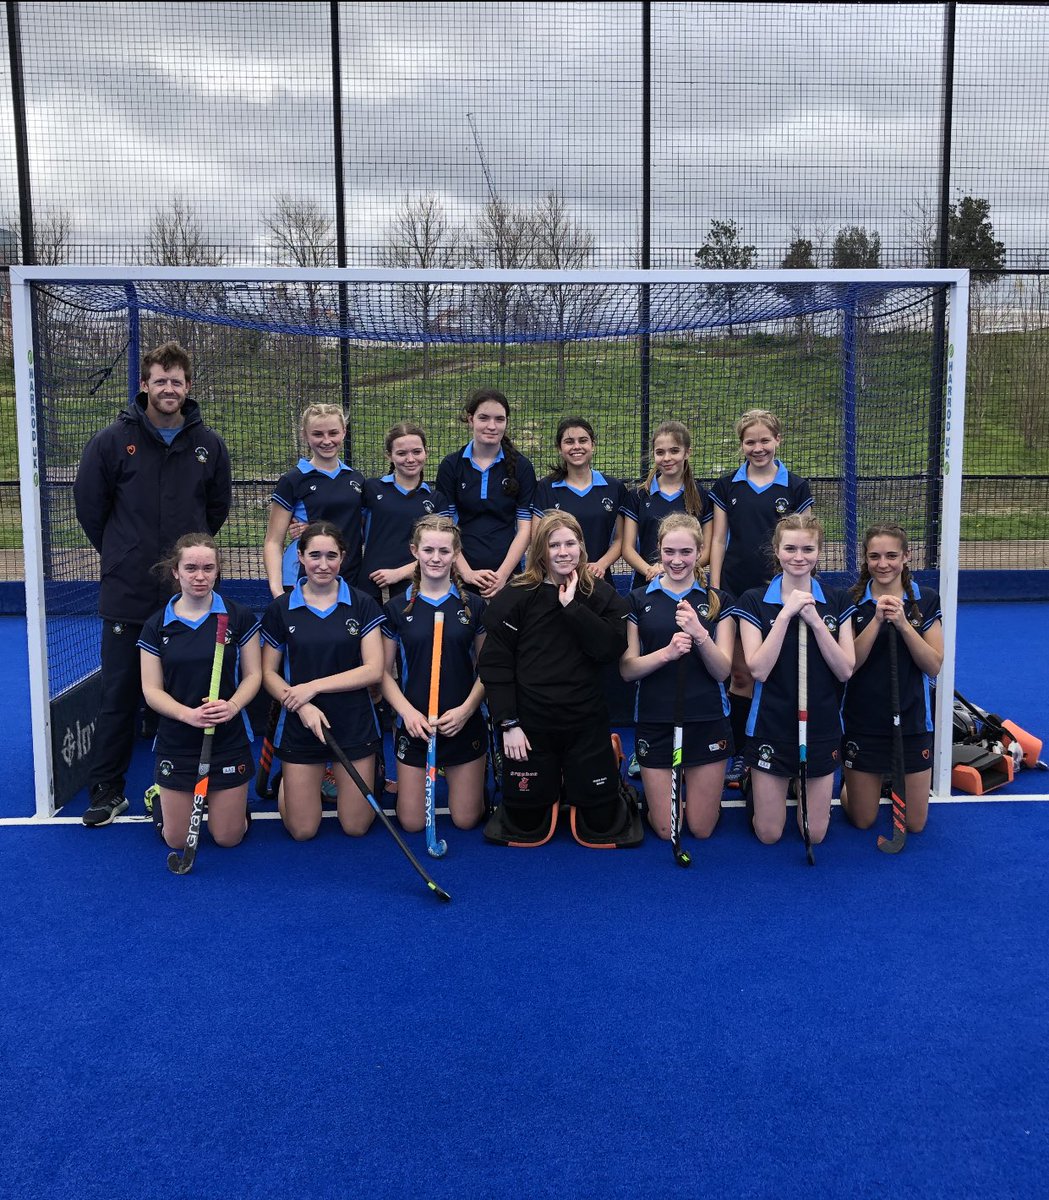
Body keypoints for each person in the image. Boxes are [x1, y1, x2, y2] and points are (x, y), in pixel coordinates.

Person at [73, 340, 232, 827]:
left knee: (189, 691)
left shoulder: (209, 445)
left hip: (188, 596)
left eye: (176, 382)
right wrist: (123, 552)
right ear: (144, 385)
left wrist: (186, 564)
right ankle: (107, 789)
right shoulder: (110, 441)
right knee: (119, 694)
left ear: (188, 387)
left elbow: (216, 510)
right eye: (160, 381)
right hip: (128, 590)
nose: (168, 389)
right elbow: (90, 508)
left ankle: (182, 782)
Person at [478, 510, 640, 848]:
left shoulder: (601, 594)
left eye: (570, 543)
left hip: (584, 721)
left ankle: (604, 757)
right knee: (525, 823)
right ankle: (551, 780)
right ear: (541, 550)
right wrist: (508, 723)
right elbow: (495, 664)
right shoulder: (517, 595)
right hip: (531, 723)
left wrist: (572, 608)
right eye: (554, 545)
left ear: (581, 546)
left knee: (602, 823)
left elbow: (610, 649)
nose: (563, 552)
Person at [732, 513, 855, 846]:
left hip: (821, 724)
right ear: (776, 550)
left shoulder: (837, 600)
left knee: (813, 834)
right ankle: (754, 781)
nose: (799, 557)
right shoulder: (754, 600)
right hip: (770, 723)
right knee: (768, 834)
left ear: (819, 552)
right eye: (790, 548)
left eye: (807, 549)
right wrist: (786, 614)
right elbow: (758, 670)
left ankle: (795, 784)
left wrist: (815, 621)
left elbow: (845, 670)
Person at [260, 521, 385, 840]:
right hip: (300, 722)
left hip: (353, 721)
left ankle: (342, 777)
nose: (323, 564)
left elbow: (373, 670)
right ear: (300, 557)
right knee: (302, 831)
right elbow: (268, 674)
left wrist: (312, 688)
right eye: (314, 555)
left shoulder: (362, 603)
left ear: (342, 557)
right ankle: (290, 781)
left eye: (332, 556)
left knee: (355, 827)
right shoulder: (281, 608)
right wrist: (301, 706)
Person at [708, 409, 813, 787]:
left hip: (781, 595)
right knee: (740, 675)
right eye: (750, 442)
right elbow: (717, 540)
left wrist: (801, 590)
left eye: (765, 440)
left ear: (778, 440)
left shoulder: (796, 487)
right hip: (736, 591)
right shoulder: (727, 486)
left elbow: (805, 541)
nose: (758, 448)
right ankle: (741, 754)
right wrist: (716, 589)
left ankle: (784, 749)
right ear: (741, 445)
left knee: (782, 675)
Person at [137, 534, 261, 850]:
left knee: (228, 838)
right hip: (178, 738)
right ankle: (159, 797)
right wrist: (188, 715)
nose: (200, 576)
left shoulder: (238, 616)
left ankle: (233, 807)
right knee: (177, 841)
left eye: (208, 568)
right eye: (190, 568)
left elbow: (253, 675)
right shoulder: (157, 625)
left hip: (228, 737)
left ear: (217, 571)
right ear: (176, 571)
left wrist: (232, 706)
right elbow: (151, 690)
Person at [620, 514, 734, 842]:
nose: (677, 560)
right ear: (658, 550)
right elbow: (627, 670)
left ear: (699, 552)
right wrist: (667, 654)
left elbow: (722, 671)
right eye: (669, 552)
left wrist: (700, 634)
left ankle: (702, 795)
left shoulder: (718, 601)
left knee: (700, 829)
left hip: (707, 719)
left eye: (686, 552)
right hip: (656, 719)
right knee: (667, 829)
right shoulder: (638, 600)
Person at [381, 516, 486, 832]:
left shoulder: (475, 606)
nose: (436, 558)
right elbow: (382, 673)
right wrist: (408, 714)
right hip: (417, 727)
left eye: (444, 551)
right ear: (415, 551)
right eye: (428, 550)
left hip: (462, 722)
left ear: (456, 554)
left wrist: (466, 711)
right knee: (412, 823)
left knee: (466, 820)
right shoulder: (397, 608)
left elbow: (488, 670)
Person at [840, 523, 943, 833]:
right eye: (874, 556)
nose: (882, 564)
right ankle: (849, 785)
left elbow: (933, 665)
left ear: (906, 557)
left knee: (915, 825)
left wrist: (903, 624)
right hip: (863, 720)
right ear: (865, 558)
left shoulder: (924, 600)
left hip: (912, 720)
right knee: (863, 820)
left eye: (891, 556)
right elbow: (848, 667)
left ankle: (881, 781)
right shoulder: (850, 601)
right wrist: (876, 621)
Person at [435, 388, 536, 598]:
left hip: (508, 577)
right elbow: (445, 527)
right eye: (484, 418)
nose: (492, 426)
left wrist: (503, 576)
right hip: (459, 576)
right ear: (470, 419)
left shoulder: (523, 467)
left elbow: (525, 530)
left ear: (507, 422)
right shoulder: (451, 465)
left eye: (499, 419)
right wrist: (466, 573)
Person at [263, 403, 365, 599]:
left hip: (349, 577)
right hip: (301, 578)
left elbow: (358, 526)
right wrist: (277, 590)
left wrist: (313, 527)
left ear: (344, 432)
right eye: (318, 434)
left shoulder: (357, 480)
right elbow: (273, 541)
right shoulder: (293, 480)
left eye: (333, 433)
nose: (326, 441)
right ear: (305, 435)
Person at [359, 422, 451, 603]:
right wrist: (307, 524)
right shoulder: (372, 488)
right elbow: (349, 528)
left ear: (426, 452)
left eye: (416, 452)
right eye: (401, 453)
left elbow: (444, 549)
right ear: (389, 455)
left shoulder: (436, 499)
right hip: (371, 584)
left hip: (416, 587)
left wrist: (399, 574)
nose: (410, 459)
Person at [531, 416, 625, 579]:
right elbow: (537, 539)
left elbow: (620, 539)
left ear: (592, 445)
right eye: (569, 442)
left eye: (583, 440)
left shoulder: (614, 487)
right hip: (557, 579)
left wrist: (600, 565)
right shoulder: (546, 487)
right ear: (559, 448)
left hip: (598, 578)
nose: (576, 446)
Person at [621, 420, 710, 590]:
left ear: (687, 452)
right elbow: (627, 549)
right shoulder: (638, 495)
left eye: (674, 451)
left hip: (689, 584)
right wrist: (652, 571)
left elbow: (706, 550)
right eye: (660, 452)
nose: (667, 458)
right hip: (647, 583)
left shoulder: (702, 496)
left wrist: (675, 569)